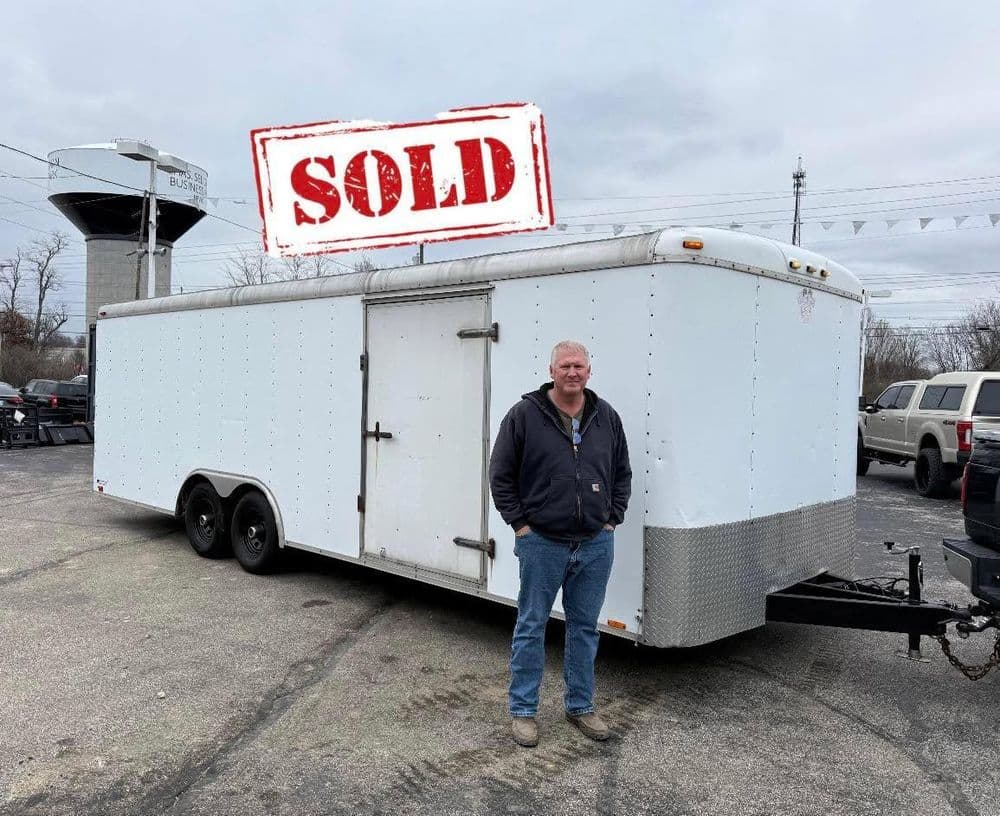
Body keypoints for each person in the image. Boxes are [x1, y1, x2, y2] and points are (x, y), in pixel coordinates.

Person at [489, 340, 631, 748]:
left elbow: (622, 472)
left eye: (579, 365)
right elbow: (501, 475)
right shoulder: (524, 416)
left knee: (585, 628)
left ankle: (581, 706)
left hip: (594, 543)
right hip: (542, 543)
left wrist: (611, 518)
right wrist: (520, 525)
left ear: (589, 371)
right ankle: (523, 712)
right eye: (565, 365)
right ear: (551, 370)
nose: (573, 372)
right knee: (531, 626)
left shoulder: (606, 417)